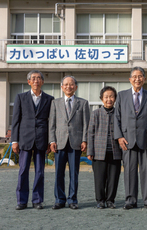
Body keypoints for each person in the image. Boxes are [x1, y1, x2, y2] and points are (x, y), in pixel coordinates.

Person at [114, 66, 147, 210]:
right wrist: (119, 136)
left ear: (144, 79)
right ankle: (130, 200)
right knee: (129, 171)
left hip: (146, 140)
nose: (137, 79)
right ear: (130, 79)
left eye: (140, 76)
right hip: (127, 140)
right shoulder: (121, 96)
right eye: (134, 76)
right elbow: (117, 118)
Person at [12, 70, 54, 210]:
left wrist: (50, 140)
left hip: (42, 139)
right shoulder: (21, 97)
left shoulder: (49, 99)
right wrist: (14, 141)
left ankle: (37, 200)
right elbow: (16, 120)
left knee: (40, 171)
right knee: (23, 170)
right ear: (28, 82)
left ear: (42, 82)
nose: (36, 80)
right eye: (33, 78)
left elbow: (50, 121)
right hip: (25, 139)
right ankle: (21, 201)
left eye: (38, 78)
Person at [49, 76, 90, 210]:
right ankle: (59, 199)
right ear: (62, 87)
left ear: (76, 87)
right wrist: (52, 140)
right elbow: (52, 124)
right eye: (65, 84)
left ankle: (73, 199)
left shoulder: (83, 103)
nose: (68, 87)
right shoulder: (55, 103)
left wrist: (84, 140)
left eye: (71, 84)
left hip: (76, 143)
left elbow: (86, 124)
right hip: (59, 142)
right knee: (59, 173)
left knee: (74, 173)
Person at [87, 86, 122, 209]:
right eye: (106, 97)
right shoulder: (95, 113)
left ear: (115, 98)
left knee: (113, 178)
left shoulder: (119, 113)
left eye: (111, 96)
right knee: (100, 178)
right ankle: (100, 200)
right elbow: (90, 133)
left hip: (115, 151)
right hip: (98, 151)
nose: (109, 99)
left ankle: (110, 200)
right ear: (102, 99)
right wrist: (90, 151)